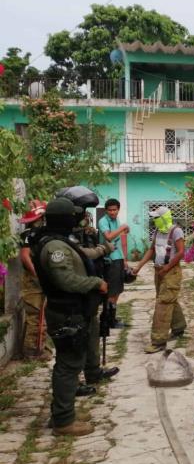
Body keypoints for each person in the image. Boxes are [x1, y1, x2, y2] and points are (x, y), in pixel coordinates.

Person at [32, 197, 108, 436]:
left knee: (70, 363)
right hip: (66, 312)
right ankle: (63, 421)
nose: (78, 219)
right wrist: (95, 282)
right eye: (73, 216)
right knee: (68, 364)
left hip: (73, 310)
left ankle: (62, 413)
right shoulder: (54, 247)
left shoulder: (60, 242)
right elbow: (65, 280)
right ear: (64, 219)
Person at [56, 187, 120, 394]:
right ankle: (72, 385)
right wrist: (103, 249)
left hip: (88, 293)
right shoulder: (60, 238)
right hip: (73, 299)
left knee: (93, 331)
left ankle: (93, 371)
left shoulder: (83, 233)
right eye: (81, 210)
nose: (84, 215)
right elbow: (84, 255)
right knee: (75, 344)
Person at [133, 207, 187, 354]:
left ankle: (158, 341)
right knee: (168, 299)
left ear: (164, 218)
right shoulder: (157, 231)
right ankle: (179, 327)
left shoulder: (176, 231)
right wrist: (139, 266)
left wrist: (167, 267)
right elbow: (151, 250)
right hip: (159, 271)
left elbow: (181, 252)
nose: (154, 220)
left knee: (163, 303)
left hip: (171, 272)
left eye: (157, 217)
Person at [18, 200, 52, 360]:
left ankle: (39, 347)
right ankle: (33, 353)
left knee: (40, 316)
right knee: (36, 318)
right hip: (33, 283)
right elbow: (25, 257)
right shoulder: (28, 235)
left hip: (38, 280)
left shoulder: (40, 234)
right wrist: (37, 275)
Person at [97, 198, 129, 328]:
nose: (112, 212)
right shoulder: (103, 221)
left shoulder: (117, 221)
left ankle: (112, 318)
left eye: (114, 210)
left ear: (118, 210)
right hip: (109, 260)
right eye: (110, 210)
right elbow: (109, 237)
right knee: (111, 291)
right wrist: (122, 228)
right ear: (106, 210)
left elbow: (121, 240)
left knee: (117, 290)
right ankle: (108, 320)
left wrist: (124, 259)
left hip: (118, 258)